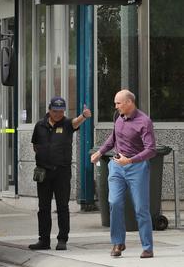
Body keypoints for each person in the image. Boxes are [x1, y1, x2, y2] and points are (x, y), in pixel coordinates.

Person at [90, 89, 156, 259]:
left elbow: (151, 150)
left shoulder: (144, 121)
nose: (116, 106)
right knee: (114, 202)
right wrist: (100, 152)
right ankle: (118, 242)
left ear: (129, 103)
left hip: (137, 167)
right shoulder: (118, 118)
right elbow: (113, 139)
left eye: (118, 103)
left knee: (141, 208)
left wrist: (131, 160)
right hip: (117, 166)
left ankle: (147, 247)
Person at [28, 97, 91, 251]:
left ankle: (62, 240)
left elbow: (76, 122)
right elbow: (36, 145)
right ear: (49, 110)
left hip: (62, 172)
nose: (58, 114)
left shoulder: (67, 124)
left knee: (62, 206)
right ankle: (44, 240)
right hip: (43, 172)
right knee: (43, 207)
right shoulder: (40, 125)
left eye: (61, 111)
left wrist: (84, 116)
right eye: (55, 111)